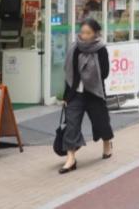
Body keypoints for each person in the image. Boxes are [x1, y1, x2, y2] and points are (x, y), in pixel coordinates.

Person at [59, 18, 113, 174]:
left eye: (88, 33)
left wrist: (89, 72)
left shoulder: (101, 49)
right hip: (75, 93)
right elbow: (69, 74)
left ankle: (107, 143)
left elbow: (105, 73)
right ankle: (70, 158)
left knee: (101, 122)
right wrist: (65, 95)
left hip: (94, 92)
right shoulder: (74, 48)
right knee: (72, 124)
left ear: (95, 34)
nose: (84, 35)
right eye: (82, 32)